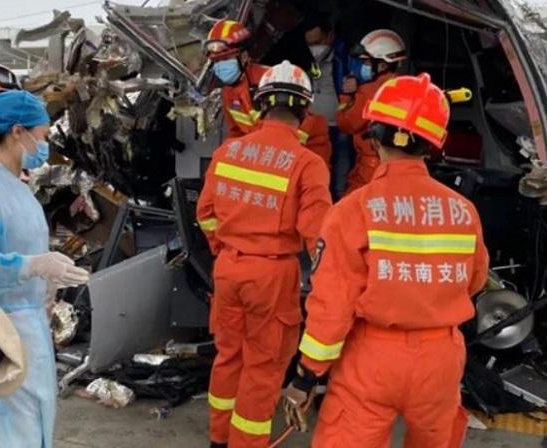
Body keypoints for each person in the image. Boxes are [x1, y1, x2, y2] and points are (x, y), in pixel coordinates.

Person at [283, 73, 489, 447]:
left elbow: (333, 306)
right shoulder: (463, 211)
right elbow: (474, 281)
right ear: (433, 143)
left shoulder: (353, 210)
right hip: (441, 358)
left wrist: (307, 376)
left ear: (374, 137)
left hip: (372, 356)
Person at [197, 60, 332, 448]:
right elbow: (318, 237)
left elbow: (205, 214)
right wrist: (330, 287)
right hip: (271, 277)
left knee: (228, 358)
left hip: (228, 269)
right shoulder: (308, 164)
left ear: (260, 104)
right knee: (263, 367)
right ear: (304, 109)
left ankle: (219, 440)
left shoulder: (228, 152)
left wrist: (226, 249)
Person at [0, 90, 90, 447]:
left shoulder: (16, 186)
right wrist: (33, 265)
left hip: (30, 325)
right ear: (17, 132)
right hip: (1, 331)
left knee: (34, 421)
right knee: (8, 431)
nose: (45, 144)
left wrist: (48, 280)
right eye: (43, 135)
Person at [205, 19, 332, 167]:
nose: (220, 66)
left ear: (244, 56)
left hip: (296, 154)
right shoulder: (229, 92)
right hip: (263, 157)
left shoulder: (273, 80)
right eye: (216, 61)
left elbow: (309, 128)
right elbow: (236, 133)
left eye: (226, 59)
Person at [336, 29, 406, 194]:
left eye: (367, 63)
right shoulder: (404, 87)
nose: (363, 67)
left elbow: (346, 124)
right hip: (397, 165)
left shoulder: (368, 91)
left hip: (370, 168)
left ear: (382, 65)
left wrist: (347, 97)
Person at [301, 15, 354, 199]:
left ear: (330, 36)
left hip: (339, 128)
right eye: (310, 44)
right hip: (313, 129)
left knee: (340, 181)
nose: (314, 48)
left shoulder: (345, 59)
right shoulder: (305, 59)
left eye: (318, 42)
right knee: (316, 178)